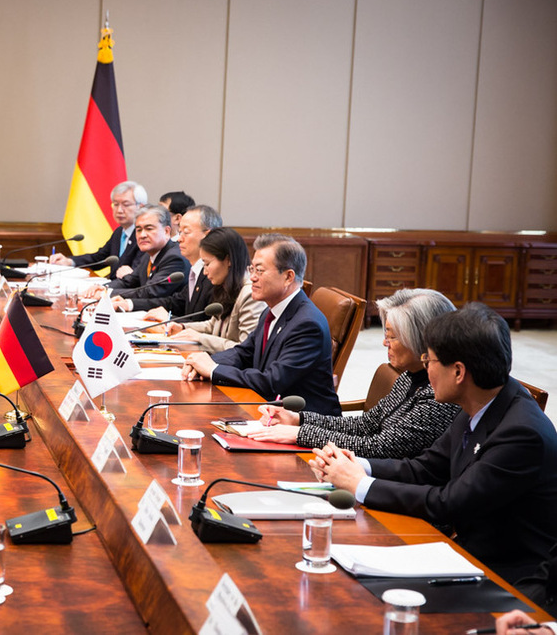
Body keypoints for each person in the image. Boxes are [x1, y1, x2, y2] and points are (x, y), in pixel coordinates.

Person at [310, 303, 557, 586]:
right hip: (465, 554)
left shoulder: (521, 433)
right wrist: (355, 465)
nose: (425, 371)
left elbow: (449, 503)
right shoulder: (479, 400)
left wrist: (360, 485)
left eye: (429, 361)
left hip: (507, 578)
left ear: (458, 372)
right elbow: (425, 468)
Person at [249, 288, 459, 458]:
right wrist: (298, 419)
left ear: (420, 339)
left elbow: (379, 447)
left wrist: (300, 434)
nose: (384, 342)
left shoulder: (440, 394)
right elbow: (365, 424)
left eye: (392, 337)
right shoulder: (409, 376)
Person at [181, 233, 341, 415]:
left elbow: (271, 382)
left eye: (260, 271)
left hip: (304, 424)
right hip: (268, 411)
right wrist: (203, 363)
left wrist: (214, 370)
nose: (252, 278)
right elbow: (244, 353)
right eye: (252, 270)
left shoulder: (307, 324)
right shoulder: (271, 310)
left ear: (288, 277)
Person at [113, 205, 222, 319]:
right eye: (180, 232)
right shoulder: (196, 270)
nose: (179, 239)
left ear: (207, 235)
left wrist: (170, 320)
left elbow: (207, 326)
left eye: (186, 232)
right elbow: (176, 302)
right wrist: (129, 304)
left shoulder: (214, 274)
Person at [166, 227, 264, 353]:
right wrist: (183, 327)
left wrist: (200, 339)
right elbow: (213, 325)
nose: (205, 272)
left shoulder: (250, 294)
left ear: (228, 260)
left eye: (207, 264)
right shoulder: (226, 285)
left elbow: (245, 349)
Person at [87, 204, 189, 301]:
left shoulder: (175, 257)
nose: (142, 235)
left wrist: (107, 293)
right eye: (139, 230)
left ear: (166, 231)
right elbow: (129, 281)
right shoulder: (148, 255)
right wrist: (102, 287)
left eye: (149, 229)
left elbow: (150, 292)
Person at [50, 180, 146, 279]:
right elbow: (99, 259)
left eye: (125, 205)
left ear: (141, 207)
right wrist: (69, 261)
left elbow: (136, 276)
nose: (119, 210)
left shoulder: (144, 236)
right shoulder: (119, 232)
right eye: (116, 204)